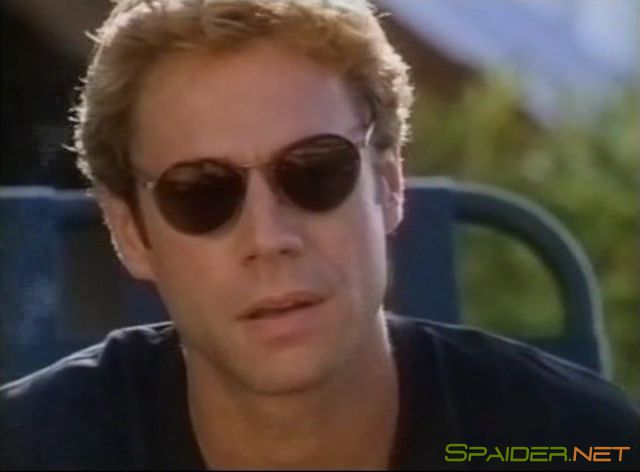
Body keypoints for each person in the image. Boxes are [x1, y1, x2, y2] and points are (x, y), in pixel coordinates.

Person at [1, 0, 638, 469]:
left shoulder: (566, 444)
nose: (269, 237)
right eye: (201, 192)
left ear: (388, 185)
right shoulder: (33, 450)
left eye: (315, 171)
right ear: (131, 233)